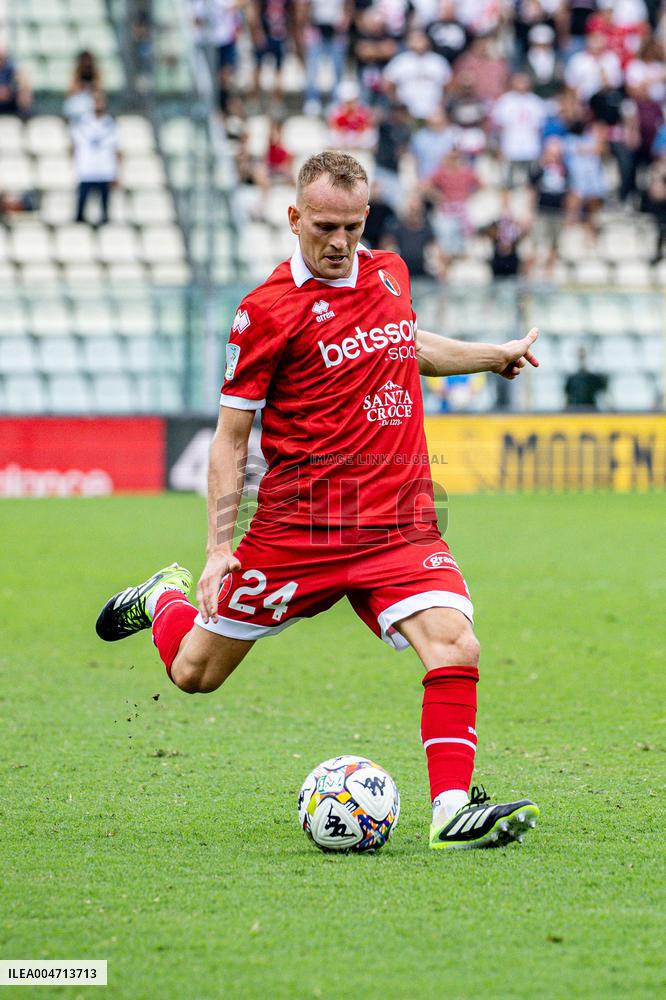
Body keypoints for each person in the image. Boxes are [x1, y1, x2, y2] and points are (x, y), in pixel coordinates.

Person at [96, 151, 541, 851]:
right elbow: (230, 438)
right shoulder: (265, 313)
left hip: (398, 527)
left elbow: (405, 343)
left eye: (353, 227)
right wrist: (218, 550)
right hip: (294, 535)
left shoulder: (389, 271)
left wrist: (491, 354)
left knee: (456, 643)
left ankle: (452, 811)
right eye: (325, 227)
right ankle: (163, 599)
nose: (339, 243)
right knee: (194, 674)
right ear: (294, 217)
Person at [71, 92, 120, 226]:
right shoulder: (82, 123)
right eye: (96, 101)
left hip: (104, 169)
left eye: (101, 101)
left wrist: (116, 172)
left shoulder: (111, 125)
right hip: (86, 169)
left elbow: (116, 150)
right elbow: (74, 146)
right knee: (80, 207)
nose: (98, 105)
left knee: (105, 209)